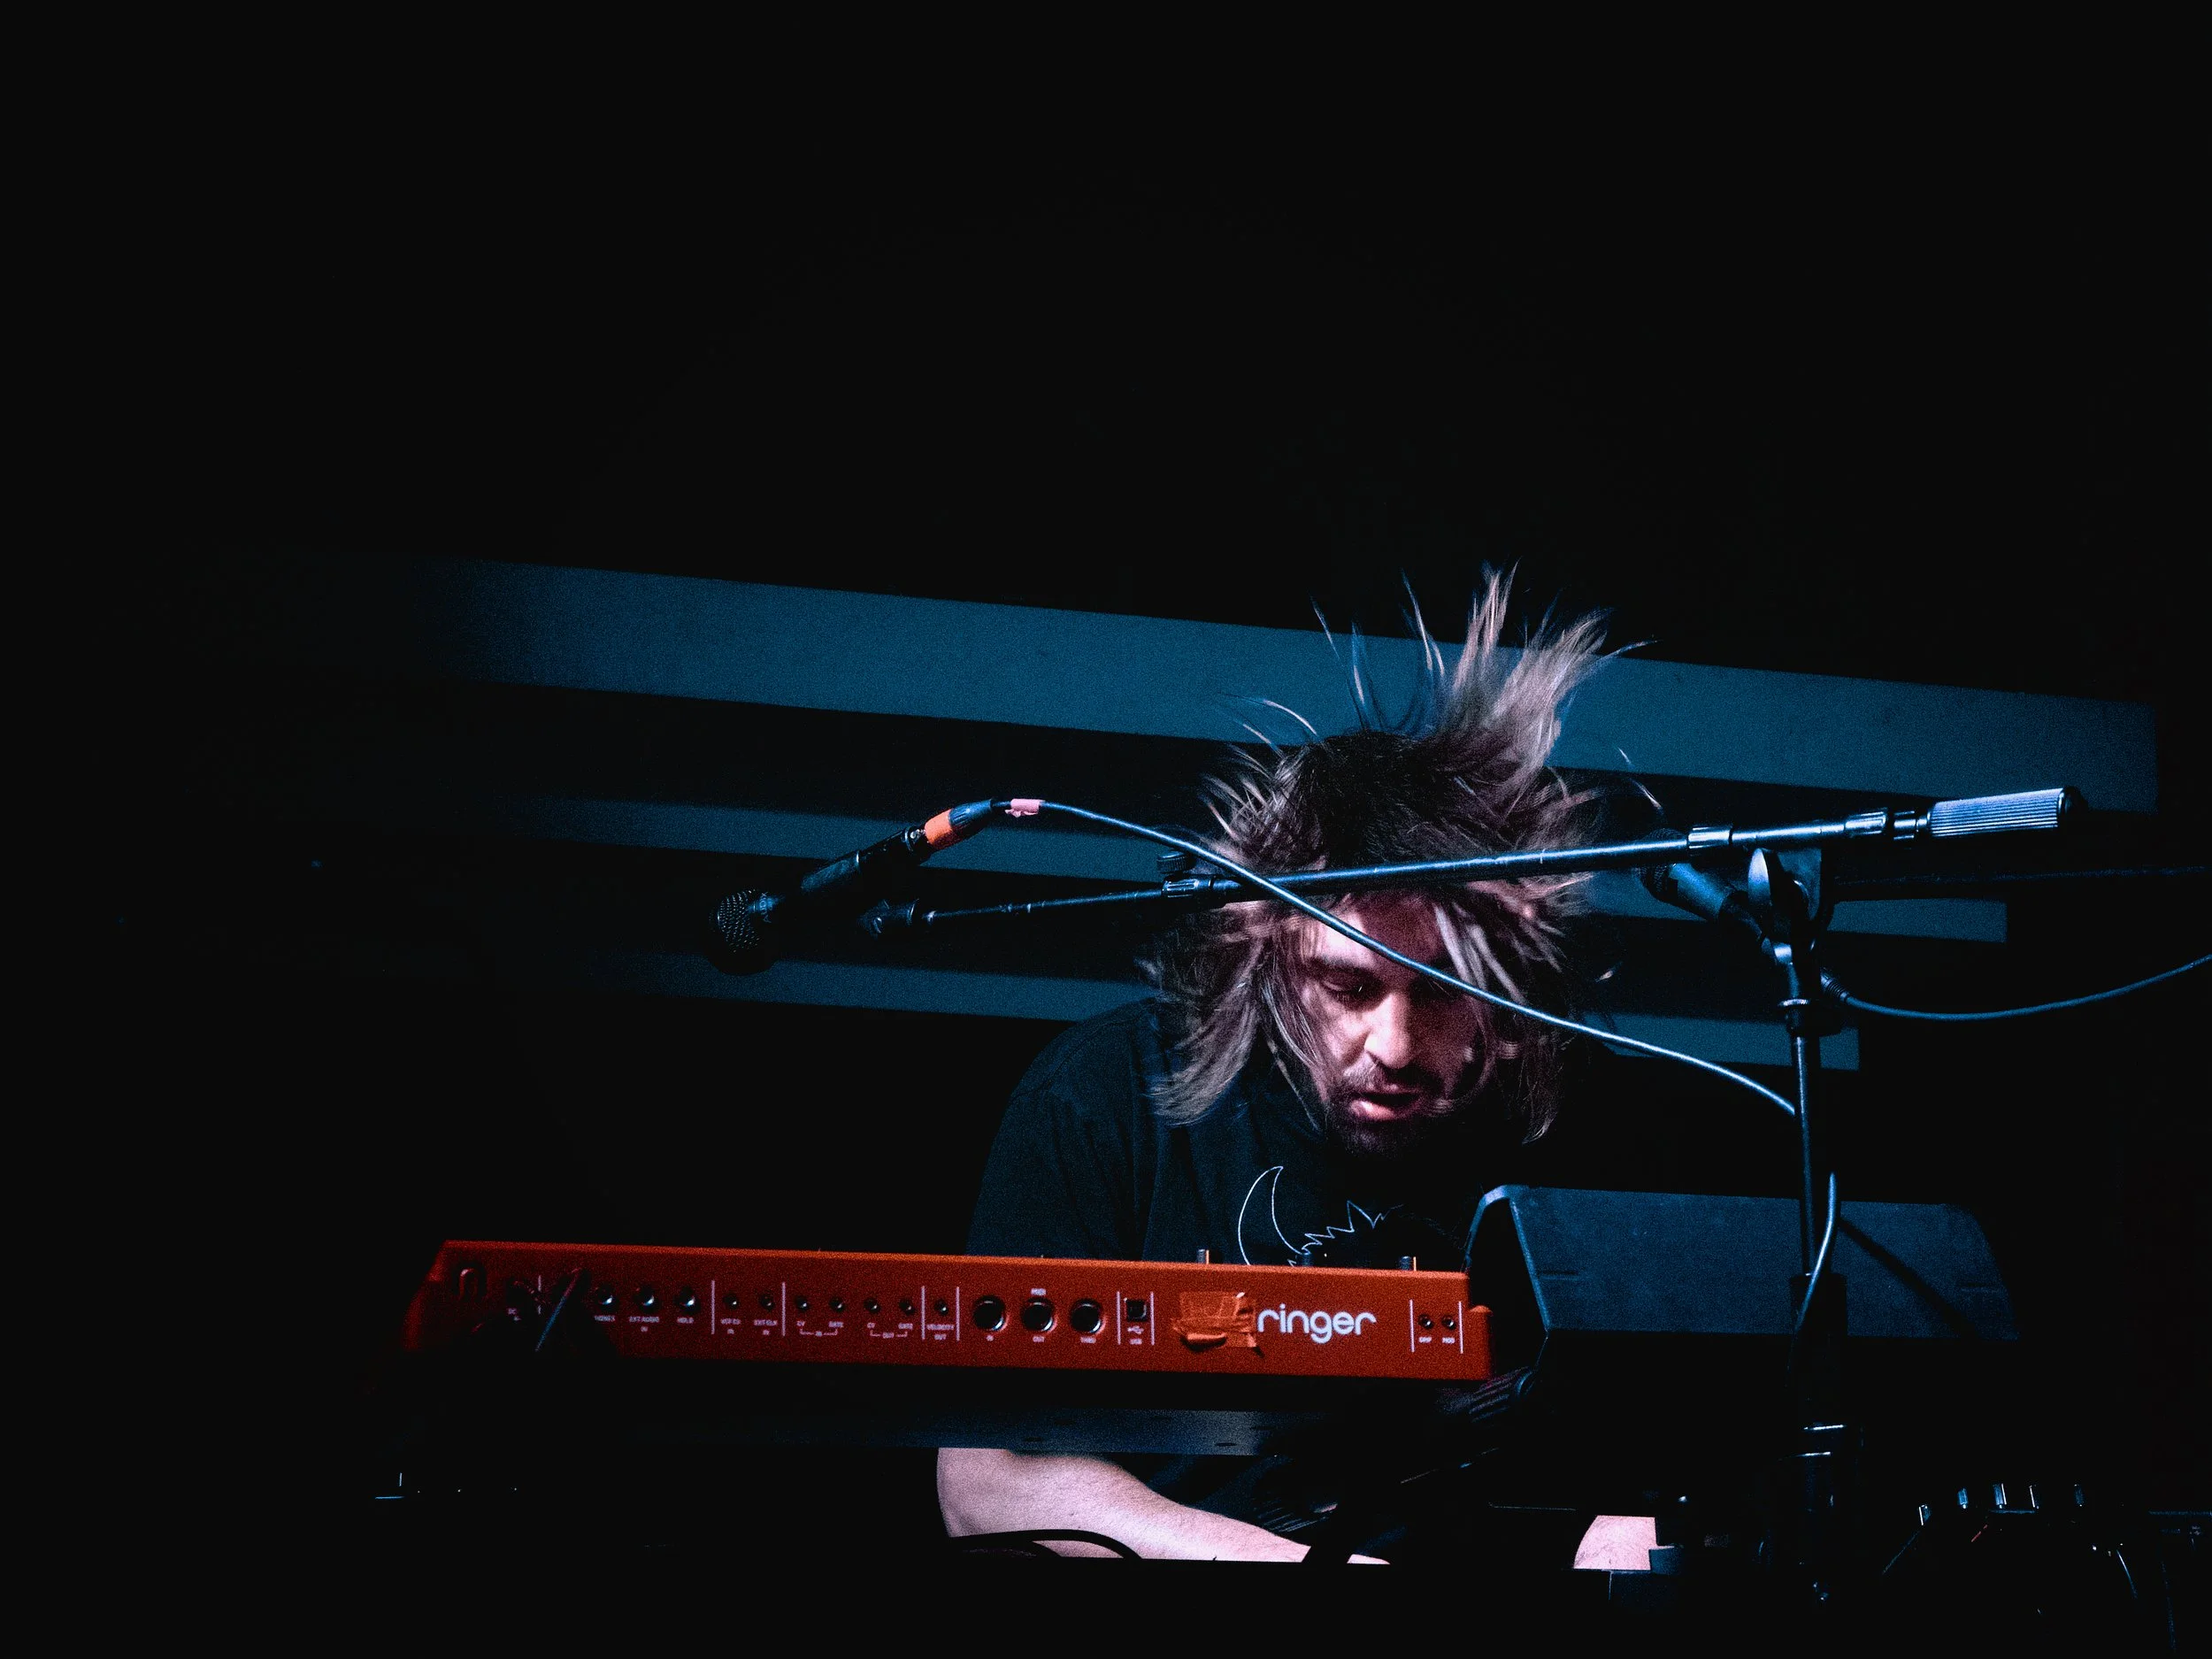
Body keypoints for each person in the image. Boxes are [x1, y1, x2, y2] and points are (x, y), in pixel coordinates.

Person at [937, 577, 1657, 1565]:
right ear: (1269, 952)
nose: (1395, 1045)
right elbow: (989, 1481)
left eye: (1442, 992)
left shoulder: (1568, 1121)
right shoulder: (1105, 1093)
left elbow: (1624, 1465)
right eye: (1348, 988)